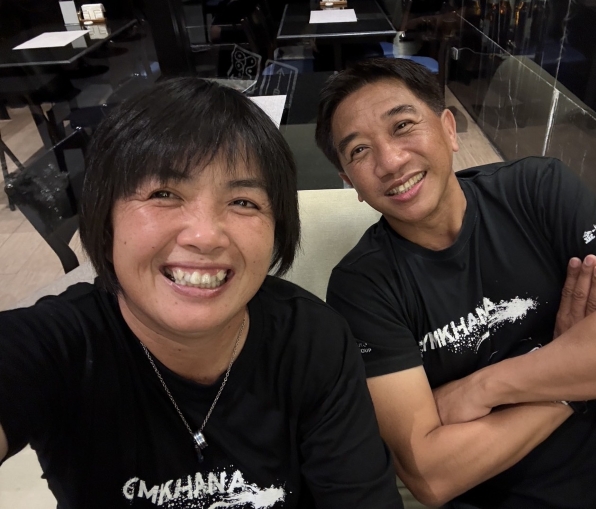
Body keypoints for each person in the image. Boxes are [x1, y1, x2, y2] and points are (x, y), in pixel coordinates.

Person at [0, 78, 403, 509]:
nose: (205, 236)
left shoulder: (313, 341)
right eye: (164, 193)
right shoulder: (57, 346)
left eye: (243, 202)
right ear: (106, 216)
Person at [314, 58, 596, 509]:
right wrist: (574, 376)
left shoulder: (538, 189)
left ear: (449, 129)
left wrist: (483, 387)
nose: (391, 161)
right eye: (359, 150)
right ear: (350, 183)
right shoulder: (363, 287)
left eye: (402, 126)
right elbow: (431, 476)